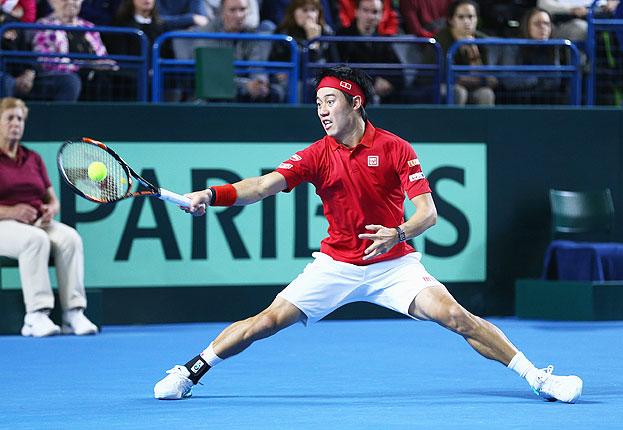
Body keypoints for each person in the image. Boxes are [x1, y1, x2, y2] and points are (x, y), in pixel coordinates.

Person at [153, 65, 583, 404]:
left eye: (329, 100)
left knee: (455, 316)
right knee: (264, 323)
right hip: (336, 265)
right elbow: (262, 186)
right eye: (317, 102)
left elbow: (427, 215)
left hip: (394, 266)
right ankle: (189, 372)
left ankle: (538, 378)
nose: (321, 109)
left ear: (354, 102)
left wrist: (397, 233)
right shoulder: (315, 155)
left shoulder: (395, 148)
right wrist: (212, 193)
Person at [0, 97, 98, 337]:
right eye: (10, 118)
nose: (16, 123)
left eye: (20, 119)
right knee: (35, 240)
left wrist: (50, 210)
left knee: (70, 238)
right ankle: (36, 316)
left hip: (36, 223)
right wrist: (11, 211)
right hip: (4, 225)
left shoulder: (32, 158)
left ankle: (73, 313)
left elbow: (52, 199)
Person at [33, 0, 116, 101]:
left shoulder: (88, 26)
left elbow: (102, 56)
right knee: (72, 81)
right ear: (52, 2)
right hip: (60, 77)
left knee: (111, 78)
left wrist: (105, 65)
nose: (71, 2)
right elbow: (46, 62)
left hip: (92, 78)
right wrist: (85, 66)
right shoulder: (44, 25)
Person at [337, 0, 404, 104]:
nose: (370, 16)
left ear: (381, 15)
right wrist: (372, 83)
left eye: (375, 12)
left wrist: (388, 82)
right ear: (356, 12)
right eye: (365, 10)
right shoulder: (340, 37)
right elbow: (339, 70)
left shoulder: (384, 41)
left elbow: (399, 74)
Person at [499, 7, 565, 105]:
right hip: (516, 101)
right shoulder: (512, 47)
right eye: (537, 24)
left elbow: (555, 81)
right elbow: (509, 81)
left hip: (546, 100)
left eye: (546, 24)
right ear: (527, 26)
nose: (543, 27)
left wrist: (533, 80)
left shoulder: (554, 48)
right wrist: (538, 80)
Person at [435, 0, 496, 105]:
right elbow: (438, 75)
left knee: (486, 94)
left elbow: (491, 80)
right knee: (458, 92)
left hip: (473, 87)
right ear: (451, 20)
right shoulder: (441, 39)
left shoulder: (483, 40)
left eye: (471, 17)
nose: (467, 22)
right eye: (461, 17)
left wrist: (474, 55)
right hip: (442, 85)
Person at [537, 0, 618, 41]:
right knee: (581, 28)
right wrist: (570, 10)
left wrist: (614, 2)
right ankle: (581, 69)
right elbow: (543, 4)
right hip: (563, 22)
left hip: (599, 19)